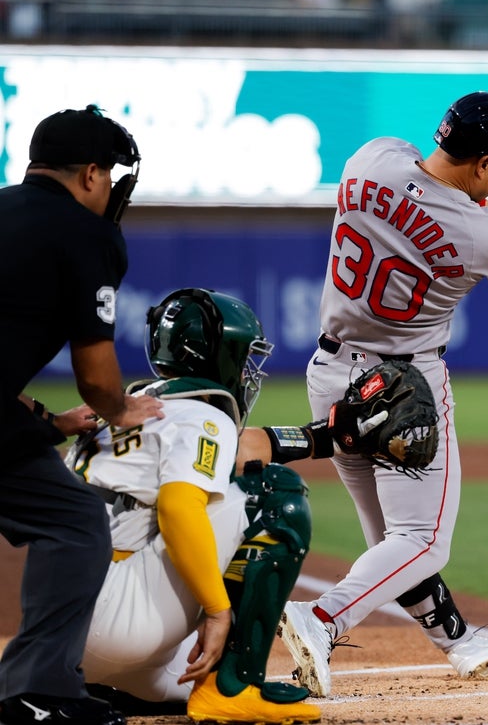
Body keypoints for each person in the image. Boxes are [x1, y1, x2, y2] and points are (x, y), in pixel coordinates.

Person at [274, 91, 488, 697]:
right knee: (422, 541)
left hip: (330, 374)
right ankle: (321, 618)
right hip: (405, 388)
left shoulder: (370, 159)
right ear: (484, 163)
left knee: (394, 543)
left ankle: (460, 643)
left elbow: (425, 186)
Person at [67, 288, 321, 725]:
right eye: (244, 355)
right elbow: (179, 508)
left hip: (63, 637)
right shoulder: (204, 416)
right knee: (275, 495)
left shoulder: (120, 411)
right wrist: (218, 611)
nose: (249, 369)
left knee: (186, 670)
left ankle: (113, 684)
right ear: (218, 355)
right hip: (121, 624)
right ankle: (233, 686)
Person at [0, 104, 165, 725]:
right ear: (91, 174)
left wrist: (48, 424)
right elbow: (97, 378)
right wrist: (119, 410)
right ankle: (38, 692)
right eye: (111, 175)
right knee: (73, 522)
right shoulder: (85, 234)